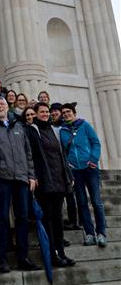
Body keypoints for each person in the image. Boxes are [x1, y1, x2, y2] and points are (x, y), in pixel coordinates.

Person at [0, 96, 40, 273]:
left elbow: (28, 153)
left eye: (2, 104)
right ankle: (0, 258)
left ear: (7, 107)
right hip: (2, 179)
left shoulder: (19, 127)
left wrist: (31, 176)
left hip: (21, 179)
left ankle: (23, 257)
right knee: (2, 218)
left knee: (22, 218)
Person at [25, 103, 75, 267]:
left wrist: (67, 175)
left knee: (58, 219)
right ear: (36, 114)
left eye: (47, 111)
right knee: (48, 220)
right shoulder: (32, 130)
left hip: (59, 181)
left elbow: (61, 155)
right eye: (42, 112)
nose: (46, 114)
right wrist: (33, 176)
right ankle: (52, 254)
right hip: (44, 182)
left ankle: (61, 252)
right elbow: (31, 155)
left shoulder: (54, 130)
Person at [60, 103, 107, 247]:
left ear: (74, 113)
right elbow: (62, 151)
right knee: (81, 203)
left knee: (96, 202)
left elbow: (95, 143)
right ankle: (89, 234)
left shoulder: (84, 125)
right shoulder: (62, 131)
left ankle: (101, 233)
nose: (66, 114)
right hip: (75, 171)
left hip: (90, 169)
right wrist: (68, 164)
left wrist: (93, 160)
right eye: (64, 112)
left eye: (68, 111)